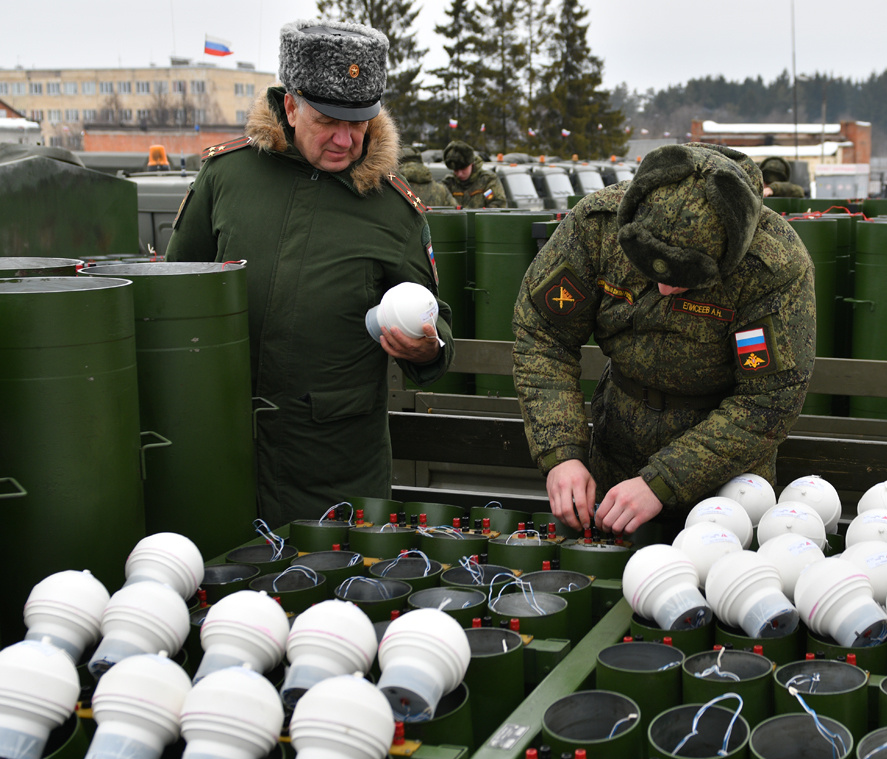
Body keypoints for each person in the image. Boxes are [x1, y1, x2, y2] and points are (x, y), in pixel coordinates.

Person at [166, 19, 455, 526]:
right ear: (291, 105)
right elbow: (172, 294)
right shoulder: (227, 177)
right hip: (220, 452)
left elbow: (436, 321)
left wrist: (430, 347)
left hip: (335, 469)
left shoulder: (393, 208)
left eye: (360, 122)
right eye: (329, 121)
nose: (346, 139)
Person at [511, 142, 816, 537]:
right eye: (650, 271)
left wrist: (665, 479)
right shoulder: (598, 226)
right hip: (614, 447)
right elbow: (543, 335)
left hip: (724, 481)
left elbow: (771, 398)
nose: (665, 289)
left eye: (686, 280)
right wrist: (562, 451)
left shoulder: (773, 266)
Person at [442, 140, 506, 208]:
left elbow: (498, 203)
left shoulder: (487, 181)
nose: (459, 174)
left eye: (463, 169)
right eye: (456, 170)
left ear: (471, 164)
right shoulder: (449, 184)